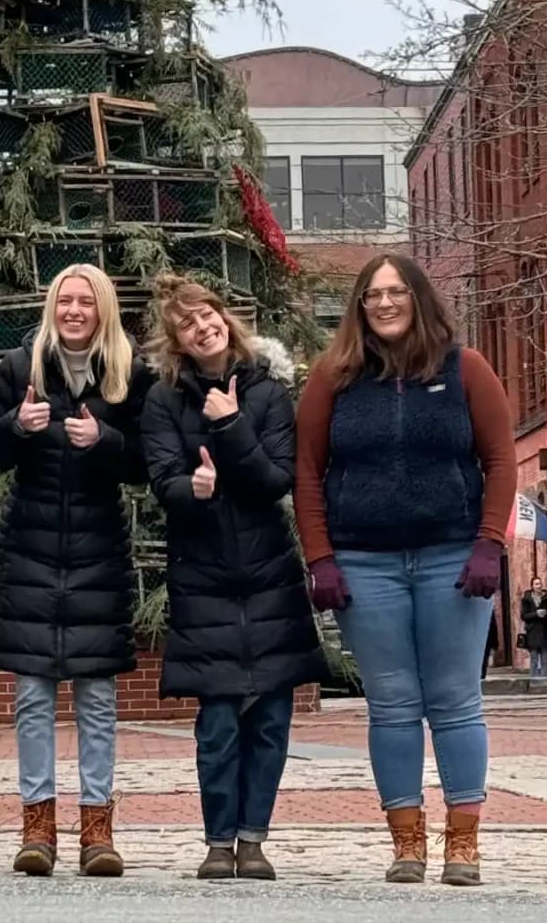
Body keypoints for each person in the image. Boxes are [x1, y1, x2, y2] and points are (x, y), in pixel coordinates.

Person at [294, 253, 514, 888]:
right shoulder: (332, 378)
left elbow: (500, 461)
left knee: (454, 701)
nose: (384, 304)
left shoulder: (464, 369)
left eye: (395, 293)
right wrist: (321, 558)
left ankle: (464, 845)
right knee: (391, 705)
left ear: (418, 299)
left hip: (453, 559)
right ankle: (407, 843)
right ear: (359, 308)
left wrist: (488, 545)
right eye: (372, 296)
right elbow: (307, 473)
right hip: (364, 564)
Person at [138, 274, 328, 883]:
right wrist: (191, 491)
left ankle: (254, 840)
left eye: (209, 315)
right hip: (204, 576)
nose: (203, 327)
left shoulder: (268, 392)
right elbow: (162, 481)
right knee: (218, 721)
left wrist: (228, 425)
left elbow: (275, 480)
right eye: (188, 324)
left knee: (271, 718)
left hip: (268, 571)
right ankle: (219, 841)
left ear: (226, 318)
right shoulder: (163, 401)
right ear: (178, 342)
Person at [0, 263, 156, 879]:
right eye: (64, 301)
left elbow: (147, 464)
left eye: (86, 302)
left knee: (98, 697)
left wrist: (104, 441)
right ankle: (37, 825)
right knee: (31, 696)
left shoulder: (129, 372)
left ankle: (98, 827)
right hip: (29, 547)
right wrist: (14, 429)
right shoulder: (21, 366)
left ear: (103, 310)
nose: (74, 311)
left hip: (98, 549)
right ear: (51, 308)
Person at [520, 582, 547, 682]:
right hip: (532, 632)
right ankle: (533, 680)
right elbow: (523, 616)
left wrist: (545, 614)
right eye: (536, 584)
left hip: (544, 631)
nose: (538, 586)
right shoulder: (526, 599)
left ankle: (545, 680)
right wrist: (536, 614)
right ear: (532, 586)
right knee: (534, 658)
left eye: (540, 584)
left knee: (545, 659)